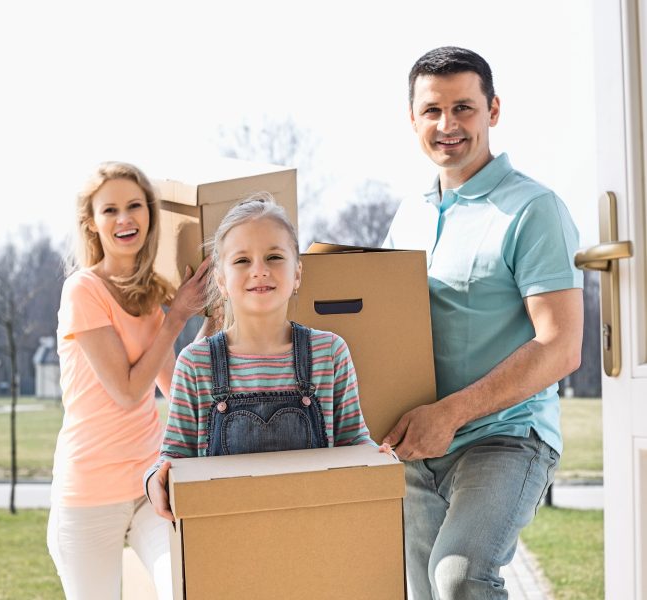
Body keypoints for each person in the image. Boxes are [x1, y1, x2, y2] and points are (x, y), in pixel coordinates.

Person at [381, 46, 584, 599]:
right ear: (413, 119)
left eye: (464, 108)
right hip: (415, 441)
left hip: (505, 436)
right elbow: (380, 323)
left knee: (459, 576)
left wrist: (449, 415)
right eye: (432, 110)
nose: (447, 125)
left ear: (493, 111)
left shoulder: (534, 209)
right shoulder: (408, 215)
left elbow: (562, 346)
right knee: (422, 590)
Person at [145, 193, 374, 520]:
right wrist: (155, 479)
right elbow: (173, 458)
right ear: (221, 281)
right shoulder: (195, 364)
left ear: (297, 274)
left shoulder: (330, 353)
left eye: (274, 257)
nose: (259, 271)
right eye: (242, 261)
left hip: (317, 541)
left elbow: (355, 443)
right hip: (226, 542)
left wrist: (378, 457)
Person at [47, 161, 210, 600]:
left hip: (147, 485)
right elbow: (127, 391)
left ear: (150, 216)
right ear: (92, 224)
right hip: (88, 493)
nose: (125, 219)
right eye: (111, 210)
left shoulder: (152, 293)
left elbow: (176, 388)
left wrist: (215, 316)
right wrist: (177, 317)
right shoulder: (83, 290)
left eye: (135, 206)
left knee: (185, 588)